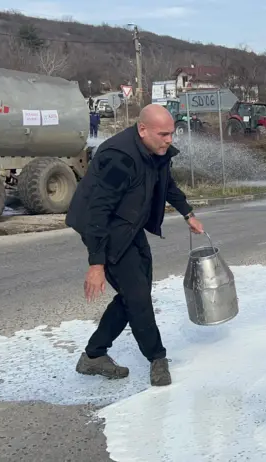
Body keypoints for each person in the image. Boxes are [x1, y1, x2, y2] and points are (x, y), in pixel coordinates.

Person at [65, 104, 205, 387]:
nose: (170, 140)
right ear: (143, 129)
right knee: (138, 298)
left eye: (172, 134)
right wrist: (97, 263)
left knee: (133, 295)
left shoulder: (156, 152)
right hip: (105, 229)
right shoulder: (119, 159)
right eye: (163, 134)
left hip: (129, 226)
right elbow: (98, 212)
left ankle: (93, 356)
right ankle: (157, 358)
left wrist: (188, 214)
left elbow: (166, 185)